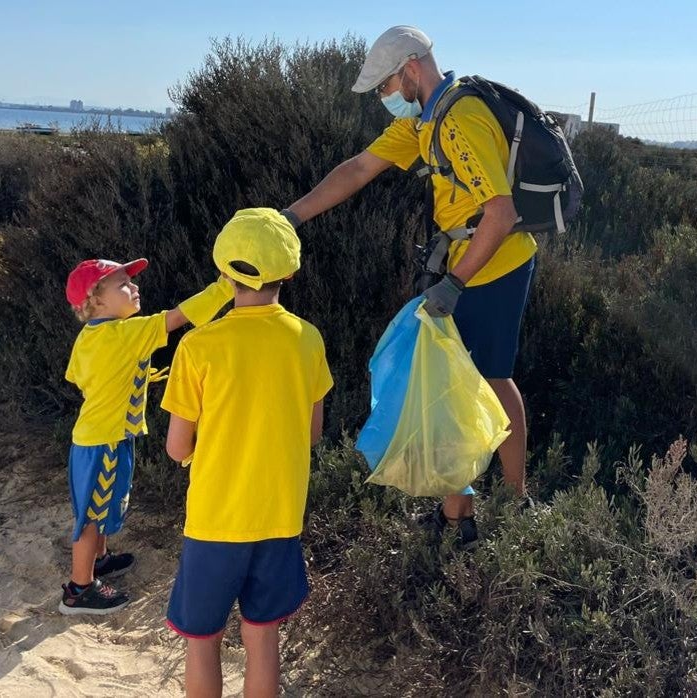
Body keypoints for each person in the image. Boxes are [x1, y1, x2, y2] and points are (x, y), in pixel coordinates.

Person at [282, 25, 534, 548]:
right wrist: (292, 216)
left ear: (412, 69)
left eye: (385, 87)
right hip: (463, 264)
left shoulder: (459, 118)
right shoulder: (425, 122)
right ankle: (457, 514)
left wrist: (456, 285)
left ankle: (514, 504)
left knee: (490, 378)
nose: (384, 98)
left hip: (494, 265)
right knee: (453, 383)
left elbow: (502, 214)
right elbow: (358, 169)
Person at [161, 208, 332, 697]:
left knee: (202, 641)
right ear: (291, 273)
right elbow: (313, 432)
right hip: (280, 515)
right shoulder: (308, 338)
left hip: (215, 520)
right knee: (263, 636)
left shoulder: (198, 345)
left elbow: (177, 448)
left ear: (224, 271)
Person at [58, 257, 231, 615]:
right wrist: (225, 288)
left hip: (95, 437)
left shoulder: (89, 337)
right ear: (97, 301)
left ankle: (99, 560)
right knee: (91, 515)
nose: (134, 287)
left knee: (100, 505)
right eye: (123, 284)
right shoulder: (126, 334)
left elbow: (80, 378)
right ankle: (79, 589)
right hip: (103, 441)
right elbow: (180, 316)